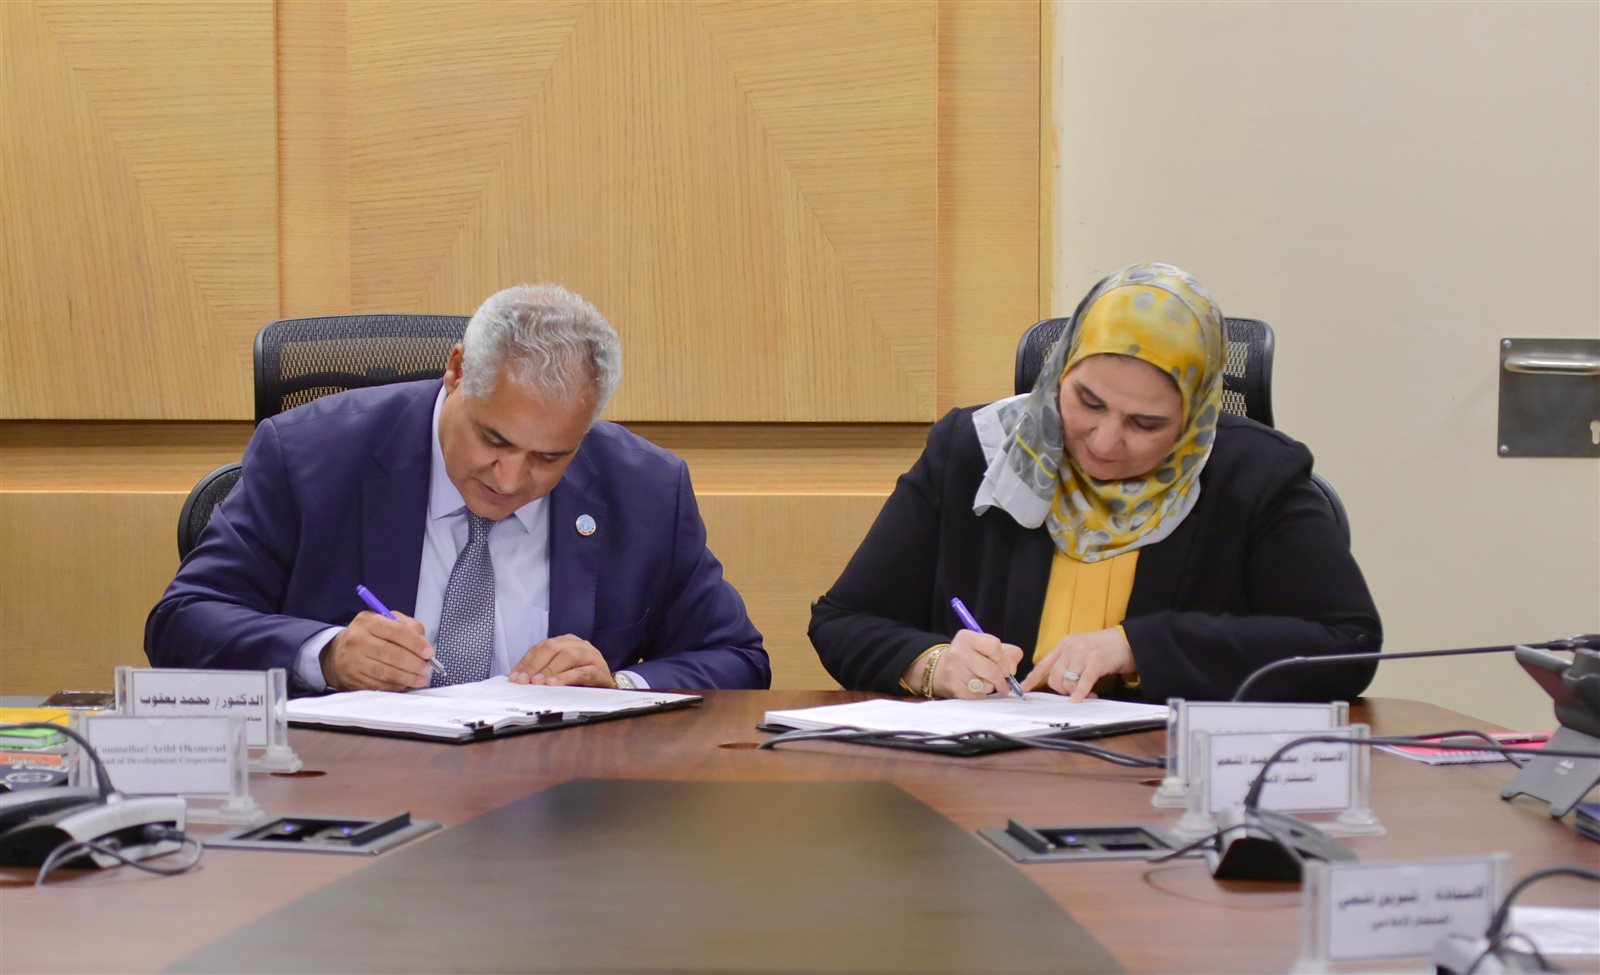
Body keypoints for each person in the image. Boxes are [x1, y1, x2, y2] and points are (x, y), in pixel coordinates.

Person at [147, 284, 770, 693]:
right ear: (455, 372)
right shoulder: (309, 454)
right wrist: (327, 654)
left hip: (559, 812)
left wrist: (618, 687)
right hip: (352, 794)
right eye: (494, 440)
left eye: (549, 457)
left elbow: (738, 659)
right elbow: (182, 622)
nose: (511, 478)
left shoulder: (644, 488)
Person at [808, 262, 1380, 703]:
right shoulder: (976, 450)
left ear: (1195, 417)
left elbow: (1346, 644)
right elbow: (844, 620)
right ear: (1059, 372)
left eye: (1146, 424)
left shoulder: (1254, 476)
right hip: (983, 778)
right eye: (1087, 401)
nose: (1105, 442)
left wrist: (1137, 647)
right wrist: (930, 664)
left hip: (1166, 783)